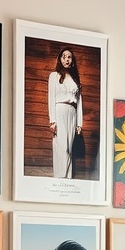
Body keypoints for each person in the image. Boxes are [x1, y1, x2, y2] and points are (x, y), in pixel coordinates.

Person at [47, 46, 83, 179]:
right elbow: (51, 98)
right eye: (64, 57)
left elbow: (79, 102)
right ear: (60, 59)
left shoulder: (75, 79)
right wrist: (53, 120)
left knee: (68, 147)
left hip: (72, 112)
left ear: (72, 60)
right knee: (60, 146)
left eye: (69, 57)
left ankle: (68, 178)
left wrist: (79, 123)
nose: (66, 59)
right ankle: (60, 177)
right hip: (60, 110)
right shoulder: (54, 76)